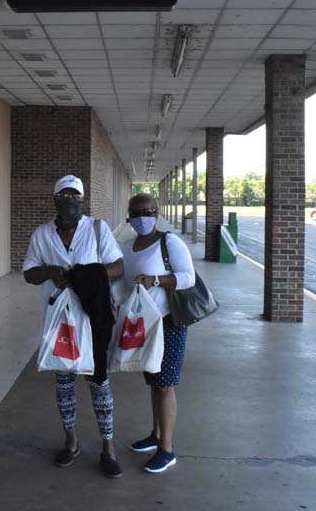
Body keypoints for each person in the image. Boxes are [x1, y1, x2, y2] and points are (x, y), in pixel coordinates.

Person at [22, 174, 125, 478]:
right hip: (59, 321)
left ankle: (108, 448)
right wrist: (49, 271)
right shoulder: (42, 235)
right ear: (55, 199)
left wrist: (84, 275)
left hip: (92, 320)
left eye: (76, 197)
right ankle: (71, 442)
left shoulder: (96, 229)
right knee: (64, 384)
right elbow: (29, 273)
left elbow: (118, 267)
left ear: (83, 200)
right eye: (65, 196)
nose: (71, 201)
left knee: (98, 384)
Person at [120, 192, 195, 474]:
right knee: (154, 381)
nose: (143, 217)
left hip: (169, 322)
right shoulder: (127, 248)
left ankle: (167, 449)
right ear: (129, 216)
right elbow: (124, 283)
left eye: (149, 212)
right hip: (144, 323)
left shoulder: (169, 242)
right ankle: (155, 434)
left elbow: (188, 277)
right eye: (138, 212)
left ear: (157, 214)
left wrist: (157, 280)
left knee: (165, 385)